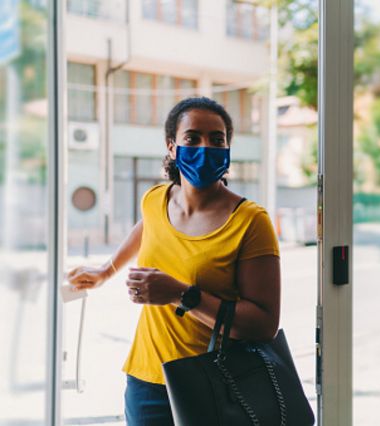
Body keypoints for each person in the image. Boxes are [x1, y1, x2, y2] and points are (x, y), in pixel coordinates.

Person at [67, 97, 281, 425]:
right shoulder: (156, 199)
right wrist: (105, 271)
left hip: (213, 382)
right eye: (192, 138)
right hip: (146, 380)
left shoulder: (251, 221)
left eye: (217, 139)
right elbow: (147, 226)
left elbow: (263, 324)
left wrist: (181, 294)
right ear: (172, 147)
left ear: (228, 148)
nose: (205, 147)